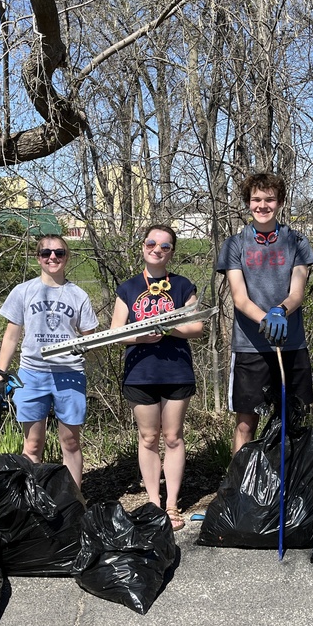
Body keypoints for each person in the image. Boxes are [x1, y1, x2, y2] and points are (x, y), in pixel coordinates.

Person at [110, 225, 205, 530]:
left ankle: (172, 504)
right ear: (143, 246)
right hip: (141, 372)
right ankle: (153, 503)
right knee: (149, 437)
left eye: (165, 246)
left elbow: (196, 328)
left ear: (171, 252)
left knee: (173, 437)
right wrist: (139, 337)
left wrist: (167, 328)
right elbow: (116, 333)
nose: (157, 249)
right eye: (152, 243)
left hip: (176, 370)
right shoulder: (127, 288)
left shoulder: (182, 285)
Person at [215, 171, 313, 453]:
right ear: (248, 203)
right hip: (250, 346)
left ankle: (291, 485)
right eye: (256, 199)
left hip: (291, 343)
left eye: (269, 199)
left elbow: (297, 290)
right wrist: (265, 319)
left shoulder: (297, 241)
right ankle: (240, 489)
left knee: (293, 421)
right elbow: (239, 297)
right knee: (246, 424)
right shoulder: (235, 244)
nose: (263, 205)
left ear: (280, 202)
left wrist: (280, 311)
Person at [0, 235, 98, 490]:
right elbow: (11, 336)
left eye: (59, 252)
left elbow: (91, 339)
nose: (53, 257)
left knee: (70, 442)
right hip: (31, 374)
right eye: (46, 253)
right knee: (32, 444)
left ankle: (74, 500)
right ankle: (32, 499)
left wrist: (87, 346)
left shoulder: (78, 295)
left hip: (69, 374)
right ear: (38, 257)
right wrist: (1, 376)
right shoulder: (23, 291)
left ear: (67, 256)